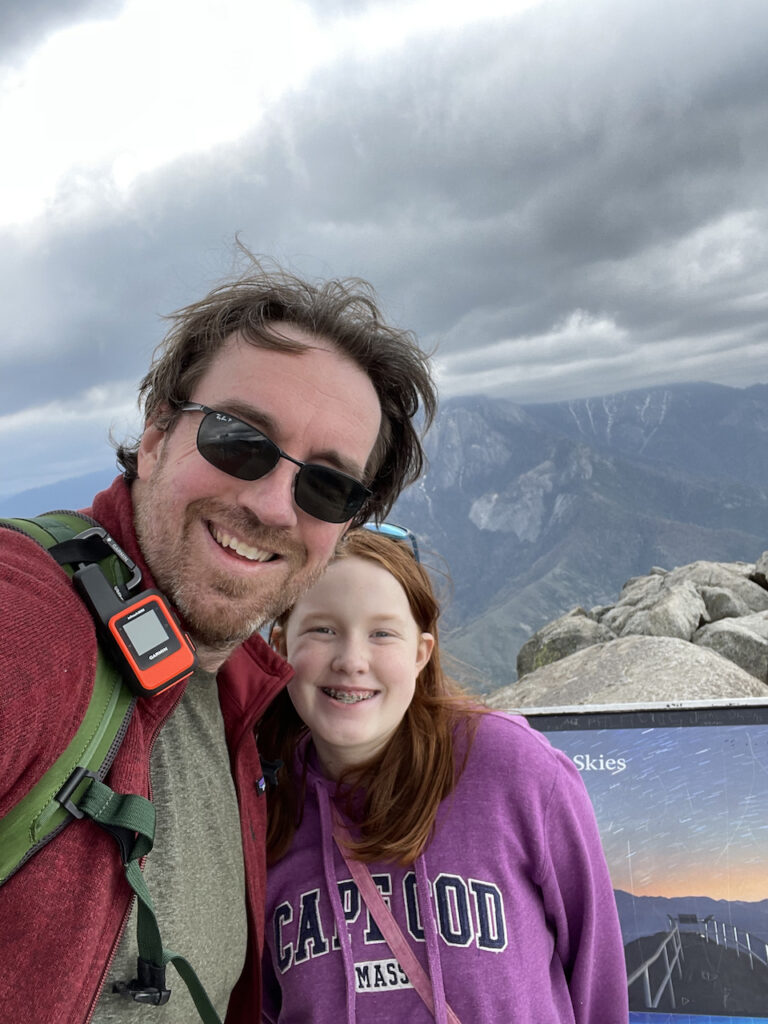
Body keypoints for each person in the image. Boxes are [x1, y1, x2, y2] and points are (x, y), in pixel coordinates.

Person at [0, 259, 436, 1024]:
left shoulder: (235, 693)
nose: (272, 505)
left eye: (327, 486)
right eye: (241, 439)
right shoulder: (35, 629)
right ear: (158, 431)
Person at [259, 529, 629, 1023]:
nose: (351, 660)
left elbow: (595, 972)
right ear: (281, 647)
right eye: (322, 629)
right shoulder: (262, 807)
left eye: (382, 632)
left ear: (420, 652)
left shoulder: (513, 770)